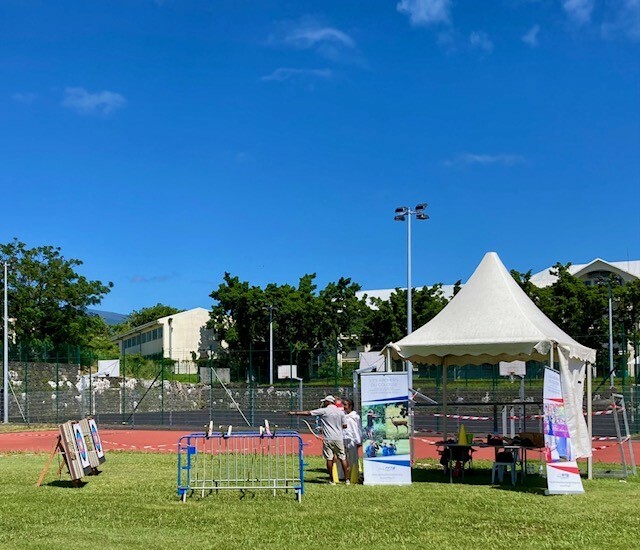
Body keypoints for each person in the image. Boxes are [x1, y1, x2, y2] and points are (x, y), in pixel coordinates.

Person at [289, 395, 349, 485]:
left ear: (328, 402)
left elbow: (309, 413)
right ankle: (347, 479)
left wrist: (294, 413)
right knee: (342, 457)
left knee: (329, 458)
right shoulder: (340, 412)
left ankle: (332, 480)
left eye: (325, 402)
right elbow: (345, 426)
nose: (323, 403)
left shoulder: (324, 411)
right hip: (339, 438)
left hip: (328, 438)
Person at [342, 399, 362, 482]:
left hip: (353, 440)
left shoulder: (355, 416)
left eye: (345, 405)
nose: (344, 407)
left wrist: (359, 440)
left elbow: (358, 429)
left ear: (350, 406)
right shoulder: (342, 415)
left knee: (353, 458)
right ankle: (343, 475)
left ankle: (354, 475)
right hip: (343, 438)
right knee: (343, 457)